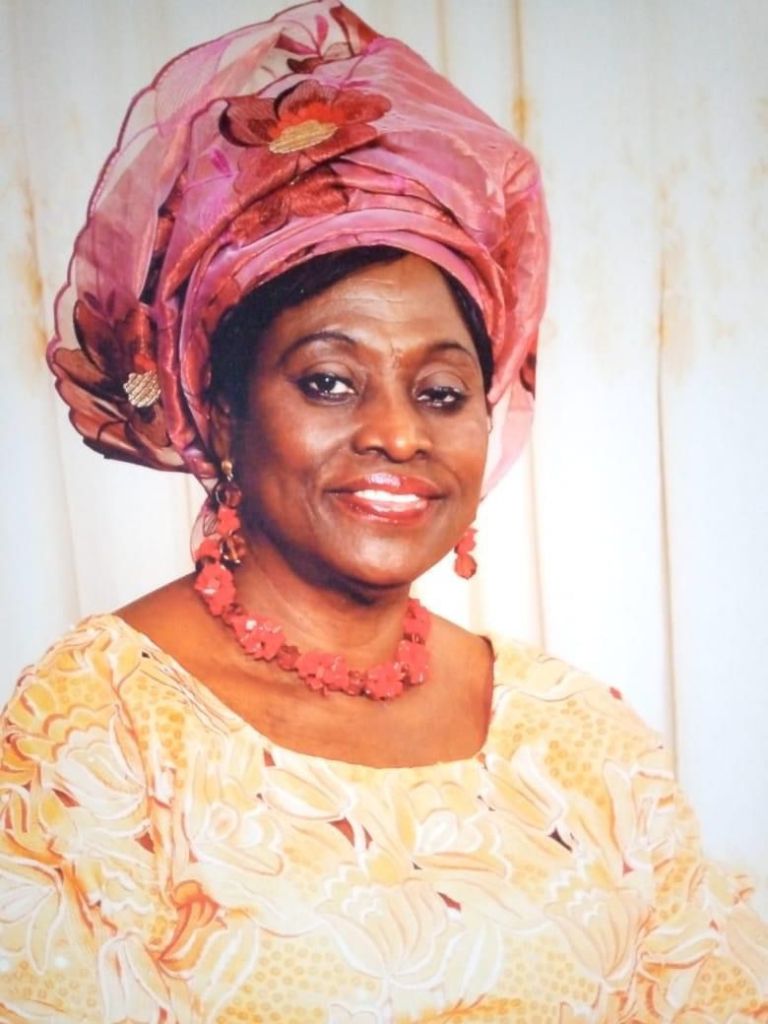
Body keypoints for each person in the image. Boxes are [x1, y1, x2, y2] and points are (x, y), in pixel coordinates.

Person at [0, 2, 766, 1021]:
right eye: (329, 381)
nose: (399, 434)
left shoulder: (577, 734)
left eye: (442, 392)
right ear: (221, 410)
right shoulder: (100, 728)